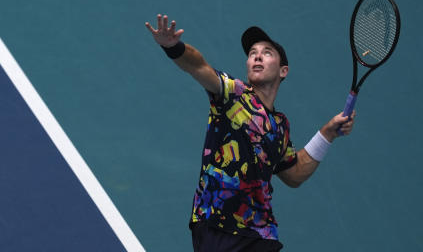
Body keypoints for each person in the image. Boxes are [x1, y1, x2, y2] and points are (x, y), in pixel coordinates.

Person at [145, 14, 355, 252]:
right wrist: (173, 46)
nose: (256, 55)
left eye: (267, 52)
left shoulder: (279, 126)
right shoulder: (233, 93)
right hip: (218, 225)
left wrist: (327, 134)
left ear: (283, 71)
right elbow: (198, 65)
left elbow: (294, 174)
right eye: (252, 52)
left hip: (260, 232)